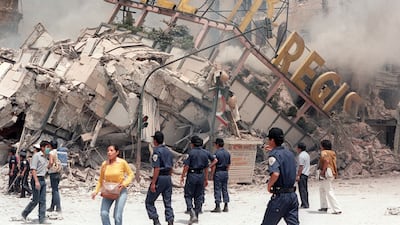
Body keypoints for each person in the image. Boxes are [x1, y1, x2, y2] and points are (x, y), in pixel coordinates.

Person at [261, 127, 299, 225]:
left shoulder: (274, 155)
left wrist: (269, 186)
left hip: (280, 197)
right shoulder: (290, 154)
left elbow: (275, 173)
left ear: (272, 140)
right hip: (292, 195)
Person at [91, 145, 134, 225]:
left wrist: (124, 184)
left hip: (120, 191)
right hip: (108, 191)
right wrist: (96, 191)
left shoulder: (122, 162)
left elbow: (131, 174)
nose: (109, 153)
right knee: (104, 213)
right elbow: (101, 180)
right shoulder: (104, 164)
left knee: (117, 216)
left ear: (117, 152)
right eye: (108, 151)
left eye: (111, 150)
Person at [180, 135, 216, 224]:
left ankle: (191, 212)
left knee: (188, 195)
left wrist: (182, 176)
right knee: (199, 195)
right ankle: (196, 214)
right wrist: (206, 179)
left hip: (192, 175)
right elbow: (209, 165)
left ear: (192, 144)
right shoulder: (206, 153)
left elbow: (186, 166)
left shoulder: (190, 153)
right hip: (201, 175)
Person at [145, 131, 174, 225]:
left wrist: (153, 183)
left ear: (155, 141)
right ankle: (170, 220)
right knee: (167, 202)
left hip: (160, 178)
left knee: (149, 201)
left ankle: (156, 221)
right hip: (168, 178)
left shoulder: (156, 152)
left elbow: (156, 168)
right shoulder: (168, 151)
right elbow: (171, 167)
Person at [21, 140, 51, 224]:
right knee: (35, 200)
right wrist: (37, 181)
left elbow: (45, 168)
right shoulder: (36, 156)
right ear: (42, 147)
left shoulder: (45, 157)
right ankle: (24, 213)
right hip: (36, 179)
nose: (48, 149)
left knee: (43, 200)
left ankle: (42, 219)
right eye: (47, 147)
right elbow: (33, 169)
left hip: (42, 179)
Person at [318, 139, 342, 214]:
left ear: (323, 146)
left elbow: (326, 161)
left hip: (326, 173)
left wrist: (322, 172)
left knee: (329, 190)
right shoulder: (332, 152)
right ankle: (323, 206)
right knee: (322, 189)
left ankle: (337, 209)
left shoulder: (323, 152)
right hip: (332, 173)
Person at [209, 138, 231, 213]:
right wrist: (226, 172)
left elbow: (214, 164)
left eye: (215, 144)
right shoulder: (227, 153)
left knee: (217, 189)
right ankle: (226, 206)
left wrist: (210, 171)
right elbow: (228, 164)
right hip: (225, 172)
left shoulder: (216, 153)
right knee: (224, 189)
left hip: (218, 172)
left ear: (217, 144)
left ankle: (217, 206)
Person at [47, 140, 62, 212]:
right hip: (58, 172)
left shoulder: (51, 153)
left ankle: (58, 207)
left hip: (53, 172)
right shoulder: (57, 151)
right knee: (55, 190)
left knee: (55, 190)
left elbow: (51, 162)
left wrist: (47, 168)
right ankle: (52, 207)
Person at [296, 142, 310, 209]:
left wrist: (298, 175)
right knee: (305, 189)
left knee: (302, 190)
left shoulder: (301, 156)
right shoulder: (307, 155)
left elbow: (301, 166)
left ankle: (304, 204)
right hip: (306, 173)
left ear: (299, 148)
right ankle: (305, 202)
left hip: (302, 174)